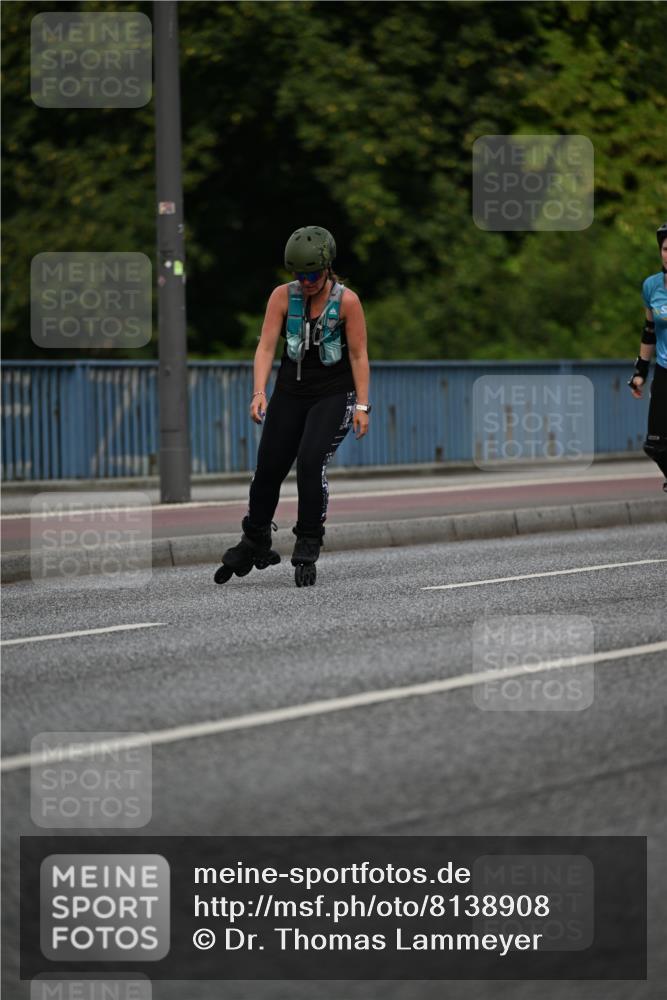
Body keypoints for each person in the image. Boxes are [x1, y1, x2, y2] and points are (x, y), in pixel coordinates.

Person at [214, 225, 371, 587]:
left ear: (328, 267)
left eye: (313, 274)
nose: (306, 281)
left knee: (310, 461)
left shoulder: (348, 302)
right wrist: (258, 392)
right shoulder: (282, 298)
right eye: (299, 275)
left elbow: (360, 354)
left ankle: (308, 540)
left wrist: (363, 405)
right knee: (268, 467)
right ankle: (255, 538)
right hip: (290, 393)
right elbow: (266, 347)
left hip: (334, 393)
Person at [628, 222, 667, 492]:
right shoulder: (651, 286)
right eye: (666, 249)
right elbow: (649, 330)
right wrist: (640, 371)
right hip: (665, 370)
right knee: (654, 443)